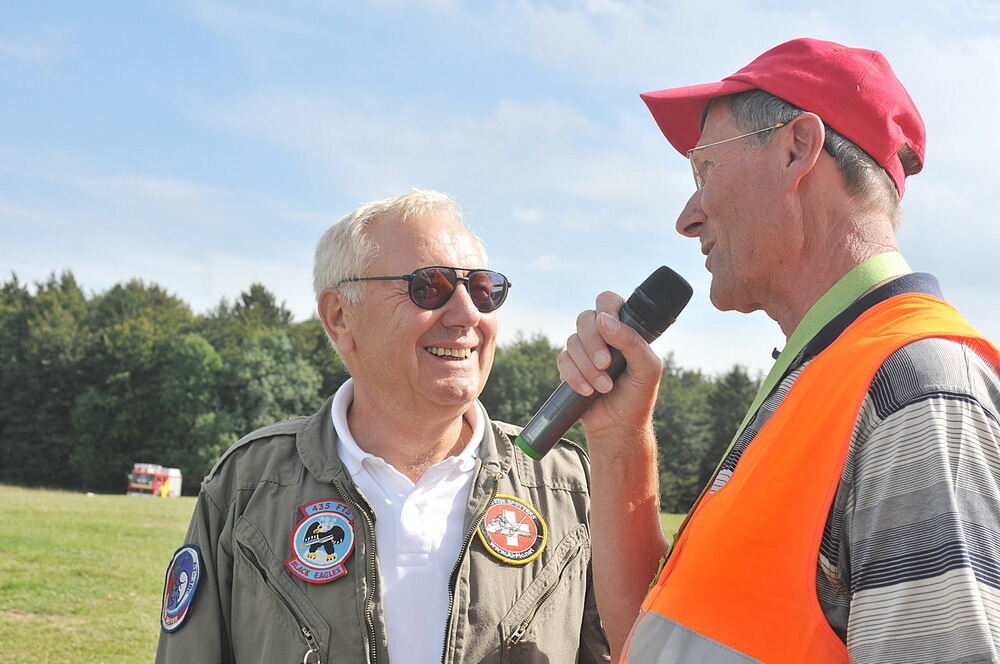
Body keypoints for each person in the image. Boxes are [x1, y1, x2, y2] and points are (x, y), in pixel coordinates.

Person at [558, 38, 1000, 663]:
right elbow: (662, 642)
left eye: (704, 169)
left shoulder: (914, 386)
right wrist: (620, 442)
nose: (688, 216)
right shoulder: (824, 378)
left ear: (797, 150)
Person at [156, 190, 610, 663]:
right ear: (339, 317)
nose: (468, 314)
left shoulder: (566, 486)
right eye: (429, 287)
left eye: (483, 290)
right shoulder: (248, 484)